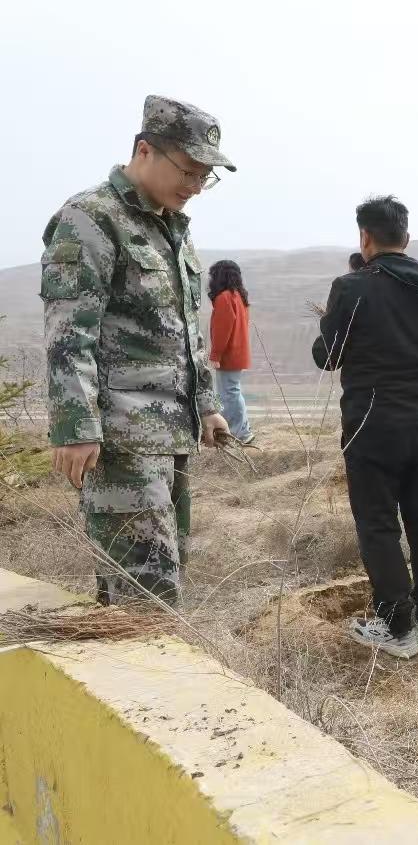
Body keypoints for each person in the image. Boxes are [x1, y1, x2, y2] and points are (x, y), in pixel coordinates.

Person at [39, 95, 233, 606]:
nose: (195, 186)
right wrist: (76, 428)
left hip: (171, 434)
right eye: (188, 170)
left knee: (157, 582)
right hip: (121, 438)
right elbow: (69, 333)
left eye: (205, 177)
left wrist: (206, 404)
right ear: (145, 150)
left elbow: (184, 329)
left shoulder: (172, 227)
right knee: (147, 594)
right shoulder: (91, 218)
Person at [312, 196, 418, 658]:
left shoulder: (351, 288)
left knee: (378, 525)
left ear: (365, 237)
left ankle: (397, 625)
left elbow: (329, 357)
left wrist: (326, 324)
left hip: (371, 428)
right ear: (406, 236)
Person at [208, 259, 254, 444]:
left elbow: (222, 329)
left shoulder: (224, 298)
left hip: (229, 354)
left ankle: (240, 433)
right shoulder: (239, 296)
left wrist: (215, 355)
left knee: (229, 393)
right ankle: (237, 430)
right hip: (238, 352)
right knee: (232, 392)